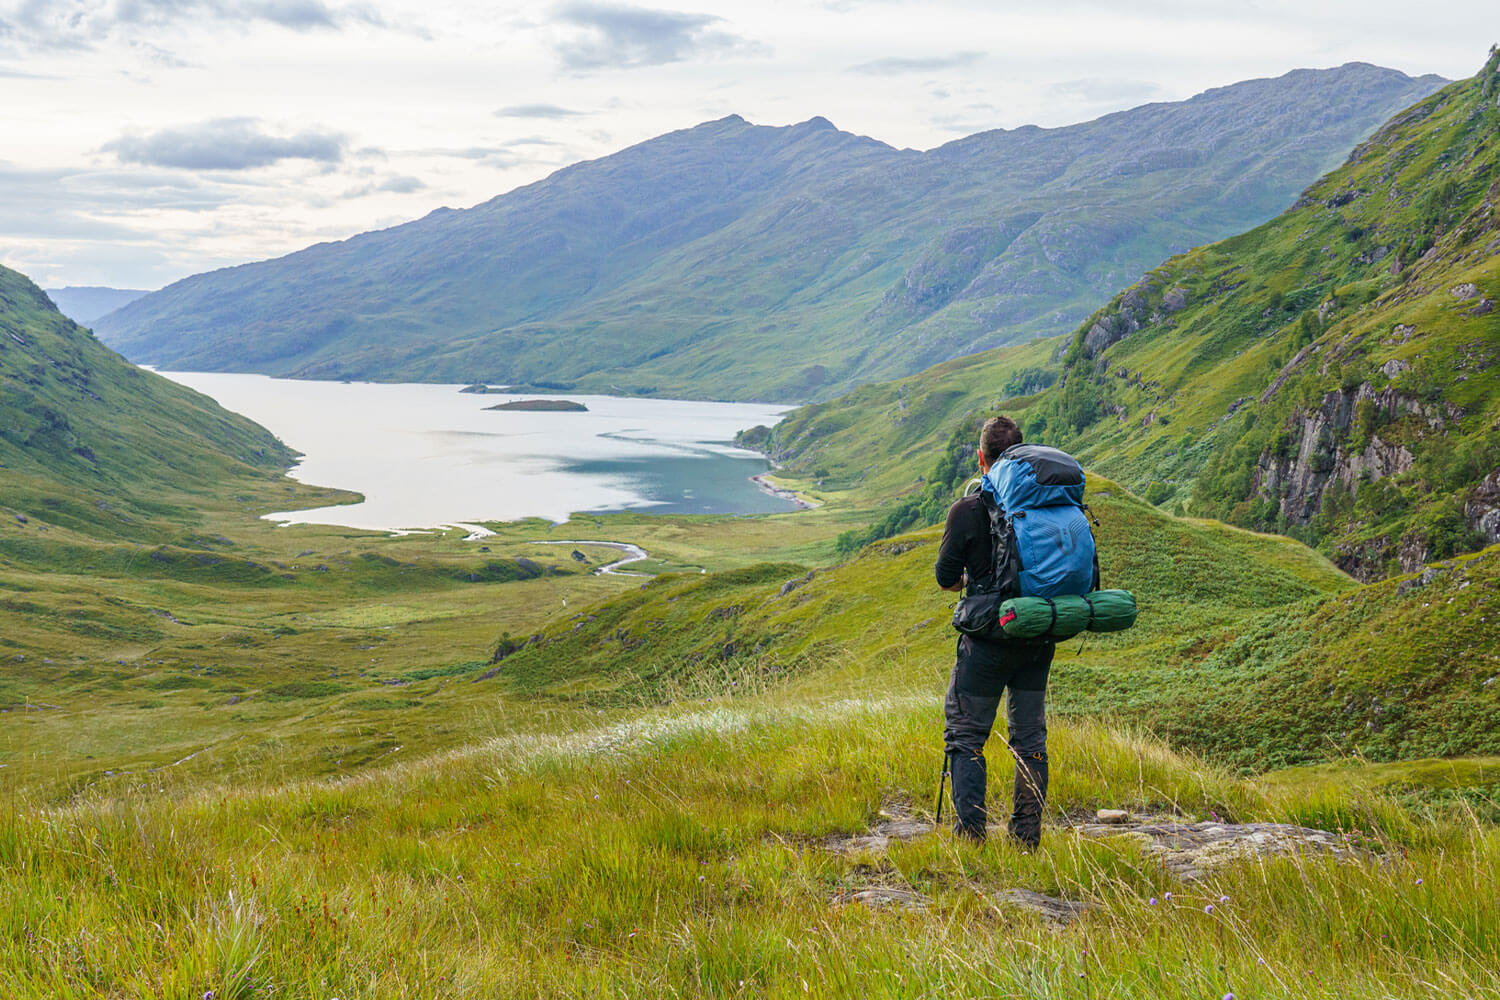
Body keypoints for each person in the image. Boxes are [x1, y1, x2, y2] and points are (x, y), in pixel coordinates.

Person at [934, 415, 1062, 848]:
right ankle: (1026, 840)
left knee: (967, 737)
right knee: (1029, 740)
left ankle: (971, 840)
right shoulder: (1047, 505)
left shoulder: (967, 510)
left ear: (981, 457)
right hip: (1037, 633)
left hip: (987, 641)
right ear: (1021, 452)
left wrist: (975, 581)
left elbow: (946, 577)